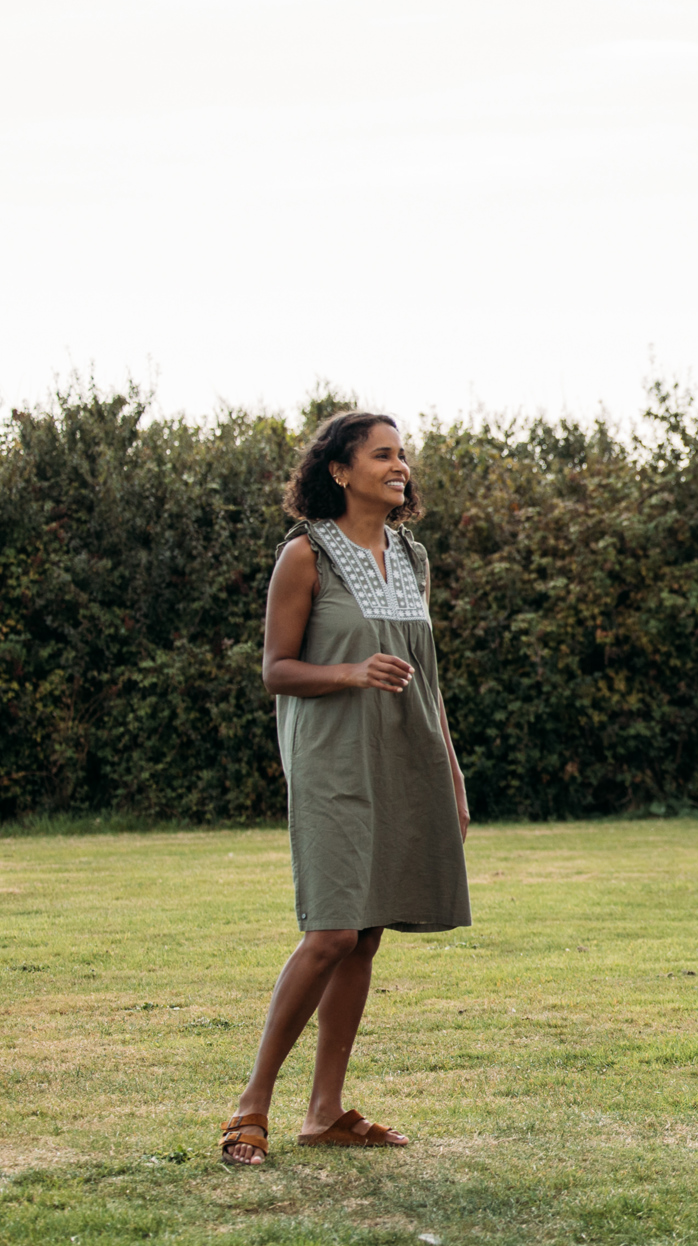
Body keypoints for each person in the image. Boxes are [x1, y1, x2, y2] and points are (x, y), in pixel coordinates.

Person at [219, 410, 474, 1166]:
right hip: (333, 759)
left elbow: (428, 679)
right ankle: (249, 1108)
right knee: (331, 930)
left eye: (403, 455)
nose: (401, 466)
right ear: (340, 470)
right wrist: (351, 672)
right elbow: (275, 670)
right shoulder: (306, 555)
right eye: (383, 455)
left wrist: (452, 774)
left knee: (367, 930)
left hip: (407, 757)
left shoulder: (412, 554)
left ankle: (324, 1112)